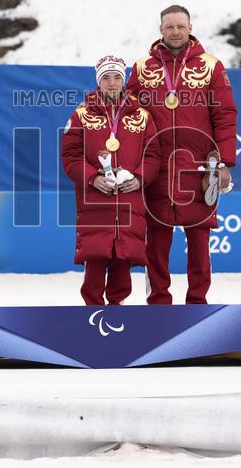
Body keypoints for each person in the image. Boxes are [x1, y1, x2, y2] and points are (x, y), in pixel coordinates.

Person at [126, 5, 238, 304]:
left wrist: (225, 162)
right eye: (169, 27)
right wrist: (130, 163)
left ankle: (197, 303)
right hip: (155, 168)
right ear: (160, 30)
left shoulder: (211, 66)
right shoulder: (141, 68)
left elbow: (225, 115)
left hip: (198, 169)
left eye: (180, 26)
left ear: (190, 27)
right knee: (156, 244)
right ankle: (158, 301)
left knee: (200, 243)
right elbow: (128, 118)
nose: (175, 31)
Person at [61, 56, 161, 305]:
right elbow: (71, 157)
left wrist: (140, 178)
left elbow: (153, 155)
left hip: (129, 204)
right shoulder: (80, 116)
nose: (112, 83)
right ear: (98, 82)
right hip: (95, 204)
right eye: (106, 78)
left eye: (117, 77)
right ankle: (91, 317)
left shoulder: (143, 117)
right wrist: (93, 178)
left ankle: (118, 317)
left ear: (125, 79)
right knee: (94, 265)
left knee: (122, 264)